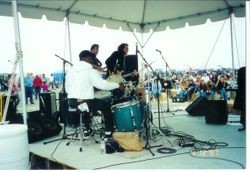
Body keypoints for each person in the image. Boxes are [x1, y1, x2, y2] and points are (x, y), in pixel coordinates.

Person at [65, 50, 124, 139]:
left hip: (71, 102)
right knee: (105, 105)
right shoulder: (90, 70)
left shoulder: (70, 71)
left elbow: (67, 88)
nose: (93, 61)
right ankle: (108, 132)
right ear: (87, 58)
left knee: (87, 103)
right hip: (83, 102)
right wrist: (117, 85)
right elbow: (102, 85)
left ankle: (86, 130)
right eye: (91, 59)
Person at [234, 66, 246, 131]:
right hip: (243, 93)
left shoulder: (241, 70)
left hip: (243, 93)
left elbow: (239, 83)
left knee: (244, 110)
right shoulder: (242, 70)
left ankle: (244, 125)